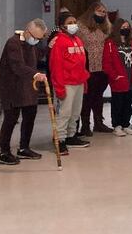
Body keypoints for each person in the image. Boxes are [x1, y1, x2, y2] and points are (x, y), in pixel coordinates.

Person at [0, 19, 48, 165]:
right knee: (11, 119)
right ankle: (4, 152)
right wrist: (35, 74)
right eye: (35, 37)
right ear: (27, 31)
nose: (36, 41)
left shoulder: (31, 44)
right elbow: (17, 66)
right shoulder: (13, 43)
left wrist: (49, 45)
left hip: (28, 87)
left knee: (30, 117)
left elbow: (37, 56)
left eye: (39, 38)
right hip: (13, 88)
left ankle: (24, 148)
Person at [49, 12, 91, 156]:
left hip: (78, 82)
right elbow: (56, 67)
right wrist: (59, 87)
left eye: (75, 21)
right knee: (63, 113)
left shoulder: (78, 40)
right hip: (65, 83)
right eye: (70, 22)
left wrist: (84, 81)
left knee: (75, 112)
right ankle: (59, 140)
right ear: (62, 26)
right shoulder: (58, 42)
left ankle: (71, 136)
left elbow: (82, 63)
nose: (74, 24)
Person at [103, 18, 132, 137]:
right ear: (117, 28)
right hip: (119, 80)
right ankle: (117, 126)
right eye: (123, 27)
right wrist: (115, 76)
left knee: (128, 103)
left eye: (127, 27)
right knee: (117, 104)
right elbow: (106, 63)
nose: (125, 29)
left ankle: (126, 124)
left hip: (131, 79)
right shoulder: (110, 43)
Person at [77, 2, 113, 135]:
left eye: (104, 12)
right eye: (99, 11)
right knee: (87, 97)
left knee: (98, 96)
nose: (102, 14)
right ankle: (85, 125)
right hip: (88, 66)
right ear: (91, 12)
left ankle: (99, 122)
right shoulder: (81, 26)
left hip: (102, 67)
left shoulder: (106, 27)